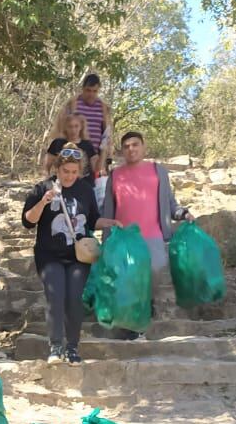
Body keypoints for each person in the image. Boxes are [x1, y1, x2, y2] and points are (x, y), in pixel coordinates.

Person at [96, 130, 193, 331]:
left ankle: (145, 306)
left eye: (135, 144)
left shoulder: (158, 171)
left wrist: (183, 213)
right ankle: (130, 322)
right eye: (126, 146)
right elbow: (107, 208)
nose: (131, 149)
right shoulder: (115, 175)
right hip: (124, 239)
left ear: (143, 146)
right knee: (126, 278)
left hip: (153, 235)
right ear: (122, 151)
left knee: (155, 269)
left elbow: (170, 204)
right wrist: (106, 239)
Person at [22, 144, 100, 365]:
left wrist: (113, 223)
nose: (69, 176)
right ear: (57, 169)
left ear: (80, 171)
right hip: (49, 255)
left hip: (78, 256)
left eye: (74, 172)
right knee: (55, 296)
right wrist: (44, 201)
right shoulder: (42, 188)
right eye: (66, 171)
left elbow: (93, 220)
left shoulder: (85, 190)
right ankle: (56, 346)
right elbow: (28, 221)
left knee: (74, 299)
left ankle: (72, 348)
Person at [62, 73, 113, 166]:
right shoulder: (73, 103)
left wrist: (107, 154)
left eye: (95, 91)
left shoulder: (102, 107)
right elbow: (63, 129)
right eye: (88, 90)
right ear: (83, 89)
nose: (91, 94)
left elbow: (107, 133)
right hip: (75, 153)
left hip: (95, 156)